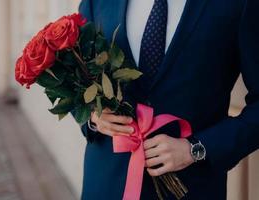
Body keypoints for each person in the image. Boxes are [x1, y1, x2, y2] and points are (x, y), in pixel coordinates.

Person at [78, 0, 259, 199]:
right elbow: (78, 74)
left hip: (192, 187)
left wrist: (197, 149)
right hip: (105, 183)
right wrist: (93, 117)